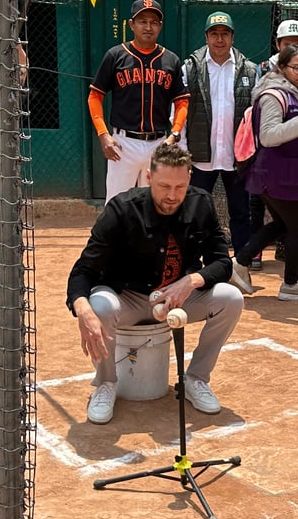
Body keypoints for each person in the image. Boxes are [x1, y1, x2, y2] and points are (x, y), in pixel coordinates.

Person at [68, 143, 243, 425]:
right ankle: (105, 384)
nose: (172, 196)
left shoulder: (201, 203)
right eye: (164, 186)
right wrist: (81, 308)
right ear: (149, 178)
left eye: (180, 187)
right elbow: (83, 270)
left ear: (189, 179)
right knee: (98, 305)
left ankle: (195, 379)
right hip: (129, 297)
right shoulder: (122, 209)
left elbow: (222, 262)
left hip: (178, 297)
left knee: (231, 299)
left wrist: (191, 281)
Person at [228, 45, 298, 302]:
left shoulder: (297, 94)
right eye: (296, 67)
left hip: (290, 175)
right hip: (277, 175)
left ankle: (241, 263)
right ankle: (291, 284)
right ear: (282, 68)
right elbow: (269, 135)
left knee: (284, 224)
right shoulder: (273, 95)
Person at [87, 0, 189, 201]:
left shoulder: (171, 60)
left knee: (155, 205)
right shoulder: (115, 56)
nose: (148, 27)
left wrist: (175, 134)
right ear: (131, 24)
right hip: (124, 144)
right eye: (143, 21)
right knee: (117, 204)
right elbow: (95, 96)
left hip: (159, 142)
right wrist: (103, 135)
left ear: (160, 26)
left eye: (154, 22)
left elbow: (182, 101)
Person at [180, 10, 259, 257]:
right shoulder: (189, 68)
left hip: (236, 156)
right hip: (201, 155)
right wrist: (183, 151)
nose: (220, 39)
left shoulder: (249, 70)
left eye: (225, 34)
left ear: (233, 37)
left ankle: (242, 264)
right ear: (206, 37)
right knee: (195, 210)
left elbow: (256, 115)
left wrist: (253, 152)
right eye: (214, 34)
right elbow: (180, 111)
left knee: (240, 212)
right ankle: (194, 261)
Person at [250, 18, 298, 270]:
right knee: (258, 204)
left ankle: (283, 251)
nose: (291, 46)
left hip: (292, 153)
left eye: (297, 43)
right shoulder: (262, 70)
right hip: (266, 151)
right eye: (287, 43)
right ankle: (252, 255)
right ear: (278, 43)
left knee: (290, 215)